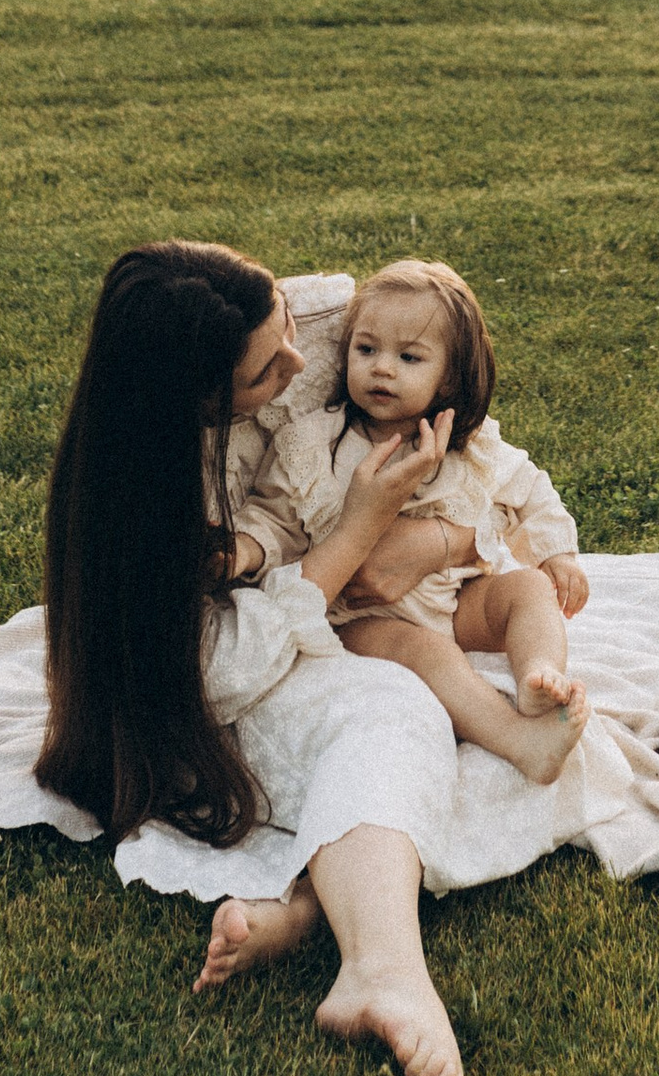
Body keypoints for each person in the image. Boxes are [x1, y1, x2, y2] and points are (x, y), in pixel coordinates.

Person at [35, 238, 471, 1076]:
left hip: (298, 607)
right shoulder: (141, 516)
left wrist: (438, 534)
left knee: (408, 710)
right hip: (204, 685)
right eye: (269, 369)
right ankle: (384, 970)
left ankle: (307, 916)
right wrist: (358, 527)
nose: (304, 362)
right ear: (199, 406)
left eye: (284, 323)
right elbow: (219, 678)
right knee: (395, 714)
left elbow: (380, 325)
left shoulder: (273, 321)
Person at [246, 259, 591, 783]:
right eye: (366, 350)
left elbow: (528, 488)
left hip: (454, 603)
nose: (382, 368)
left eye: (409, 357)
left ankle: (538, 679)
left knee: (528, 588)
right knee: (425, 650)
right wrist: (244, 546)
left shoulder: (468, 444)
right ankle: (518, 739)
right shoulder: (311, 444)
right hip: (361, 621)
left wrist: (556, 552)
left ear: (449, 375)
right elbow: (273, 517)